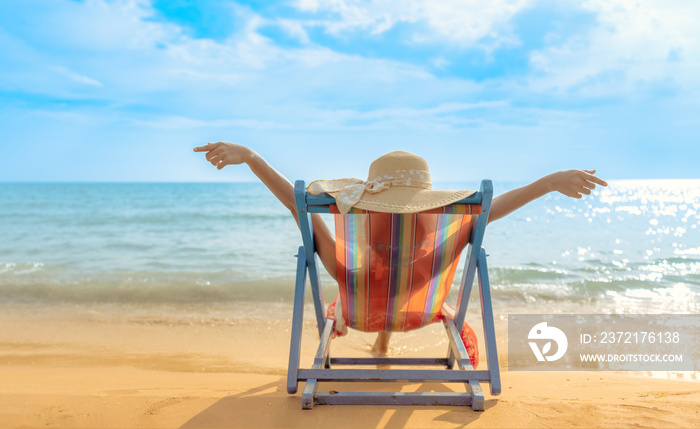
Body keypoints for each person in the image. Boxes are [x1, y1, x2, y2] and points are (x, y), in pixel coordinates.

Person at [194, 142, 607, 356]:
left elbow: (294, 202)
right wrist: (549, 183)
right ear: (429, 218)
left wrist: (251, 157)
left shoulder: (346, 269)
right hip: (420, 314)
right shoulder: (437, 255)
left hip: (359, 313)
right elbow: (491, 209)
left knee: (379, 275)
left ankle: (378, 341)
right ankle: (385, 344)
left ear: (367, 222)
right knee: (399, 278)